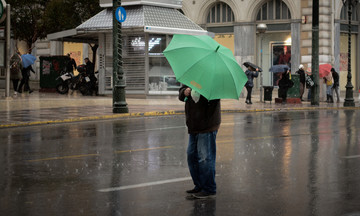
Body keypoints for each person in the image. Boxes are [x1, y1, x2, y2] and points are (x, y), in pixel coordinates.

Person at [179, 85, 221, 199]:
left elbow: (214, 99)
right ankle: (199, 185)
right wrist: (184, 92)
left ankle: (208, 188)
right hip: (193, 125)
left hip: (207, 125)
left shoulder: (213, 80)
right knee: (191, 156)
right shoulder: (193, 76)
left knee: (205, 158)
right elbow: (181, 94)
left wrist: (201, 92)